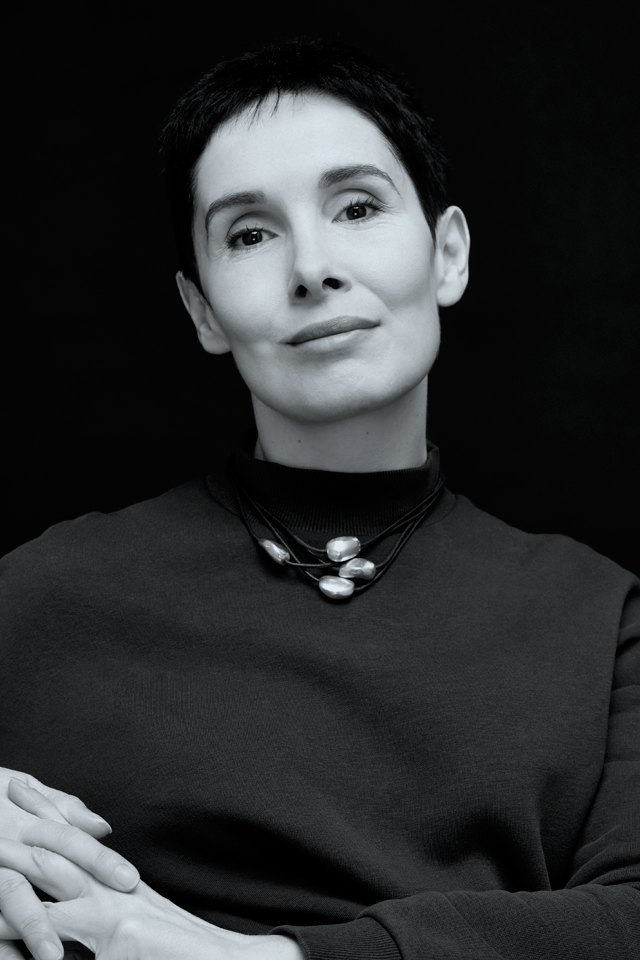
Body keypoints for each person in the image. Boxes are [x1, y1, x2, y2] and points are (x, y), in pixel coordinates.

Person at [1, 36, 638, 960]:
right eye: (249, 234)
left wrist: (261, 959)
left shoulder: (601, 623)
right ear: (202, 310)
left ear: (448, 254)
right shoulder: (42, 596)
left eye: (357, 207)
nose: (311, 266)